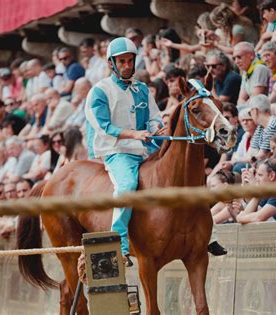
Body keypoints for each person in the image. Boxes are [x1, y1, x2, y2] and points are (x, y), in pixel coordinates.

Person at [85, 37, 164, 266]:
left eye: (130, 60)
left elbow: (153, 117)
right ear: (112, 63)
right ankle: (119, 243)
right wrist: (134, 134)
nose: (127, 65)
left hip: (145, 148)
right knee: (127, 185)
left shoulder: (142, 88)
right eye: (122, 61)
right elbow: (103, 127)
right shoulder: (99, 91)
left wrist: (156, 128)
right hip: (116, 150)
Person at [234, 42, 271, 106]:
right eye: (234, 58)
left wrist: (242, 108)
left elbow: (255, 97)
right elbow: (241, 98)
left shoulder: (259, 68)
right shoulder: (245, 70)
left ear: (251, 55)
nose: (236, 61)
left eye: (239, 57)